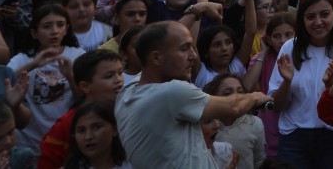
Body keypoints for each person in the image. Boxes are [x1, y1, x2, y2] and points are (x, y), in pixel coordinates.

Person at [115, 22, 271, 168]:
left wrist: (196, 11)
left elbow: (160, 37)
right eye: (184, 49)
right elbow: (233, 107)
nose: (193, 56)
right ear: (156, 58)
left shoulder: (128, 90)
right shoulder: (171, 93)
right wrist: (254, 97)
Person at [268, 0, 333, 166]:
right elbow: (276, 107)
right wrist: (287, 82)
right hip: (294, 136)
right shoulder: (289, 48)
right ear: (302, 20)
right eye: (310, 17)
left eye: (324, 14)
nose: (318, 22)